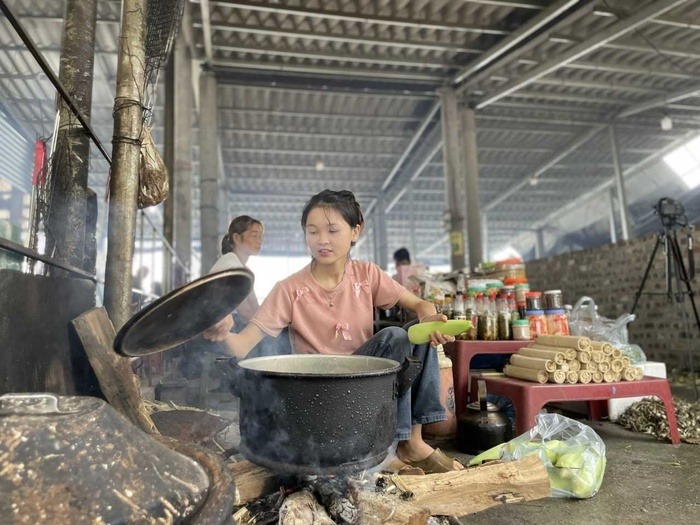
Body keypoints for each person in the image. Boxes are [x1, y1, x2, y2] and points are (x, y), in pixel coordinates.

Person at [204, 189, 463, 473]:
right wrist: (222, 332)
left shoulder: (367, 275)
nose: (322, 240)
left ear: (355, 231)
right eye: (312, 231)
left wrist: (428, 315)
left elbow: (418, 303)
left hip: (367, 384)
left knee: (418, 331)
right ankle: (390, 449)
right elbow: (242, 345)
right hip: (318, 392)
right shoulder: (289, 289)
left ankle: (412, 441)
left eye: (332, 230)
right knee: (396, 337)